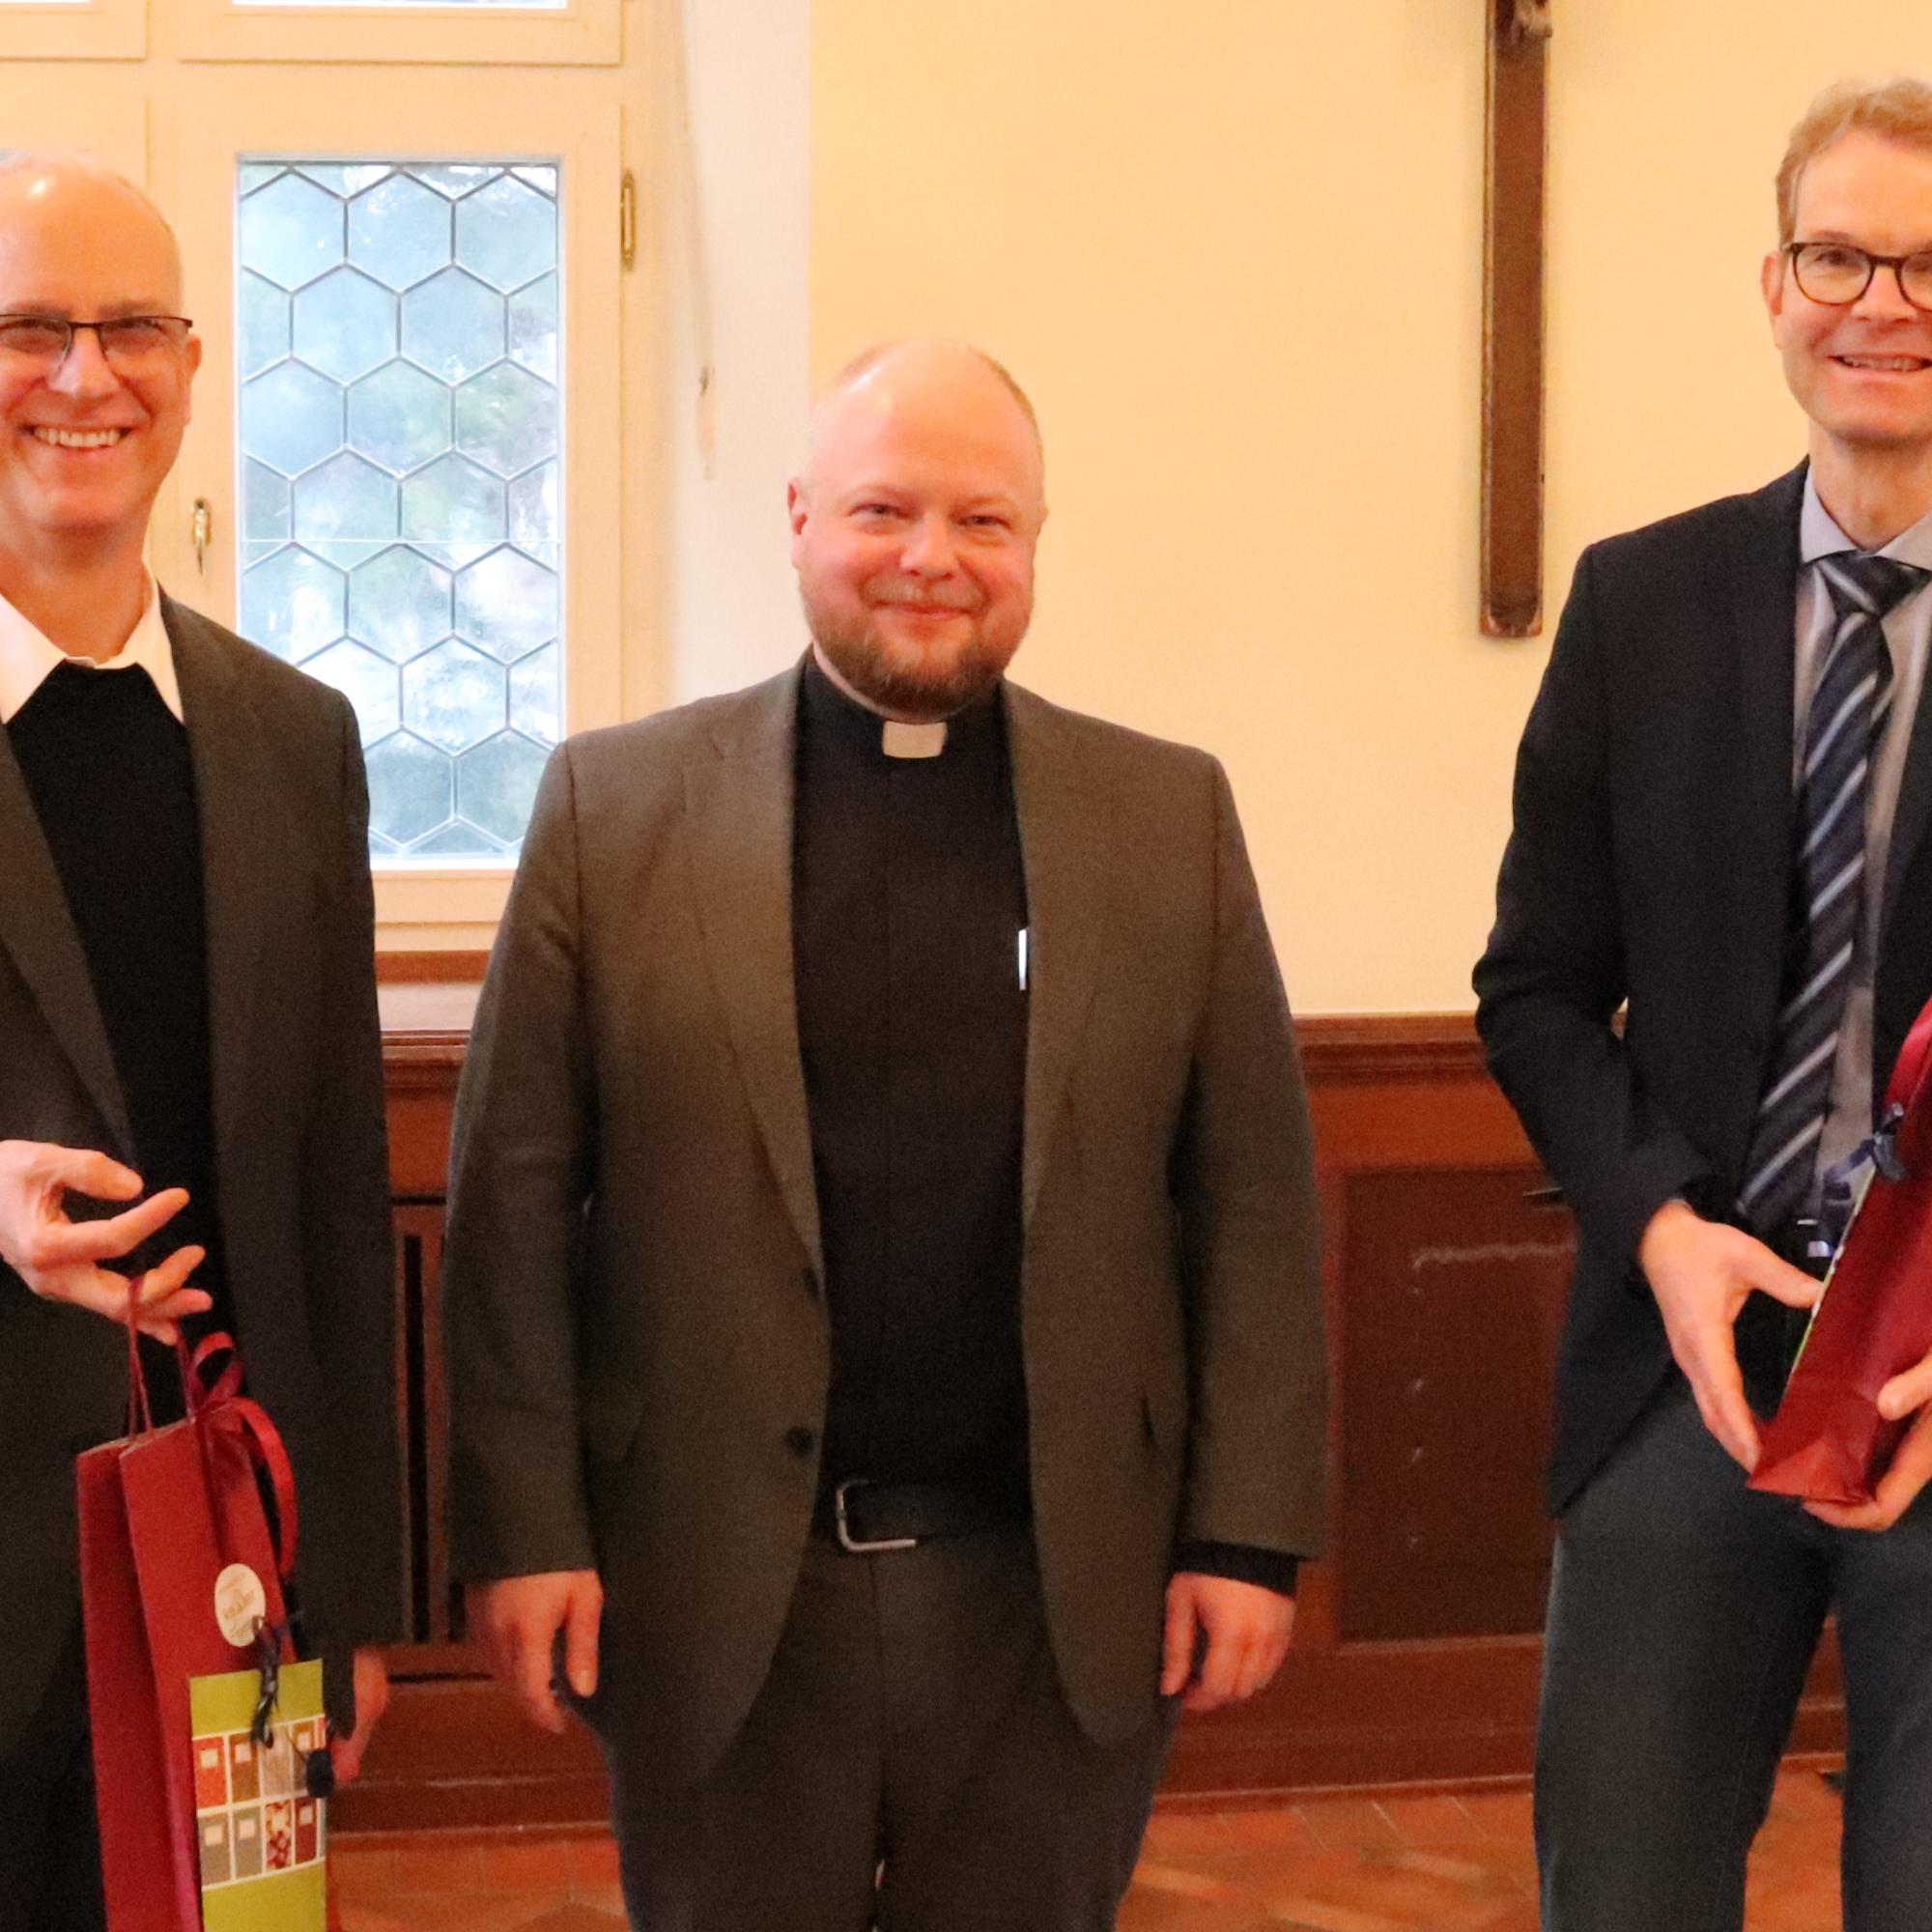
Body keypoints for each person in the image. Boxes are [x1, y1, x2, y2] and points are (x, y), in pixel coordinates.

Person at [443, 338, 1325, 1930]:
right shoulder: (612, 808)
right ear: (794, 521)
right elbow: (508, 1209)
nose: (932, 559)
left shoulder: (1164, 819)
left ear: (1038, 544)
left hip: (1054, 1592)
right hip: (718, 1586)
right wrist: (525, 1531)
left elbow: (1251, 1198)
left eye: (984, 522)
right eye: (883, 510)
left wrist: (1247, 1533)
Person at [1475, 76, 1932, 1932]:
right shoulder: (1642, 601)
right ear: (1774, 283)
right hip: (1691, 1374)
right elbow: (1536, 986)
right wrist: (1657, 1226)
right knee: (1630, 1894)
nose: (1882, 302)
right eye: (1841, 254)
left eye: (1927, 262)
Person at [0, 156, 400, 1929]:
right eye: (27, 329)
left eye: (131, 329)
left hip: (228, 1580)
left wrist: (350, 1599)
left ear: (191, 360)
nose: (86, 379)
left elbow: (329, 1194)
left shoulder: (292, 738)